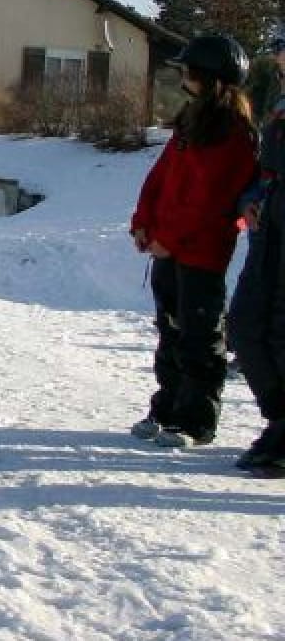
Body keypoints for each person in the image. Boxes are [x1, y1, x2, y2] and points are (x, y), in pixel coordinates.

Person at [129, 32, 257, 448]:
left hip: (201, 251)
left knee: (199, 336)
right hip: (168, 247)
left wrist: (170, 239)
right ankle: (165, 408)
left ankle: (196, 420)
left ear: (208, 76)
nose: (182, 76)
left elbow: (210, 201)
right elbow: (162, 179)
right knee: (169, 331)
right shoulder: (189, 120)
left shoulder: (234, 133)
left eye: (188, 70)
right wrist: (144, 222)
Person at [226, 25, 285, 473]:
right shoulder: (279, 106)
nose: (278, 59)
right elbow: (263, 173)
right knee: (246, 326)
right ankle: (279, 419)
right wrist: (251, 201)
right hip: (269, 234)